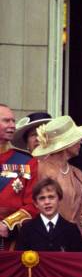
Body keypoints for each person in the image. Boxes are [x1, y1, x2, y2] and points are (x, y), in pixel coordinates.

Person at [31, 116, 82, 250]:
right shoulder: (39, 169)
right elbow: (34, 205)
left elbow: (81, 213)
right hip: (46, 241)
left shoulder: (78, 173)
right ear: (66, 143)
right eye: (76, 139)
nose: (81, 142)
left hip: (73, 241)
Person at [0, 104, 38, 251]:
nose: (12, 125)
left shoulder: (27, 161)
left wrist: (8, 224)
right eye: (6, 121)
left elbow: (34, 204)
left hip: (11, 240)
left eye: (13, 121)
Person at [16, 178, 82, 252]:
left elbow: (77, 260)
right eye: (42, 198)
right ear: (36, 204)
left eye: (51, 197)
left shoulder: (72, 230)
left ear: (59, 200)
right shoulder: (27, 230)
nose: (47, 202)